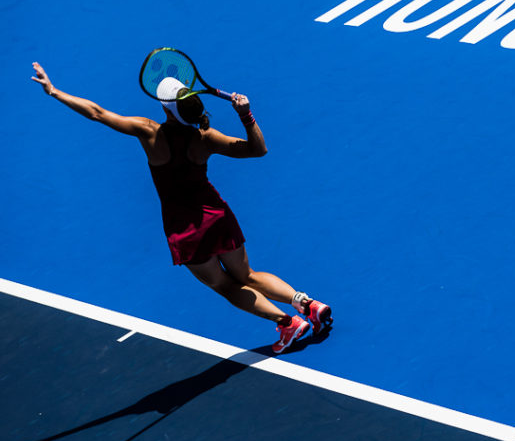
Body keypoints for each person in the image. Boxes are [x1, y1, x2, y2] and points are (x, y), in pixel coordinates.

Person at [30, 61, 331, 354]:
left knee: (225, 285)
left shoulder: (148, 131)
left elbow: (97, 113)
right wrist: (246, 115)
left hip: (185, 229)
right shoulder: (205, 137)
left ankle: (287, 322)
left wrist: (54, 91)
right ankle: (307, 305)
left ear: (165, 109)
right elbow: (258, 150)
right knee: (247, 275)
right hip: (217, 215)